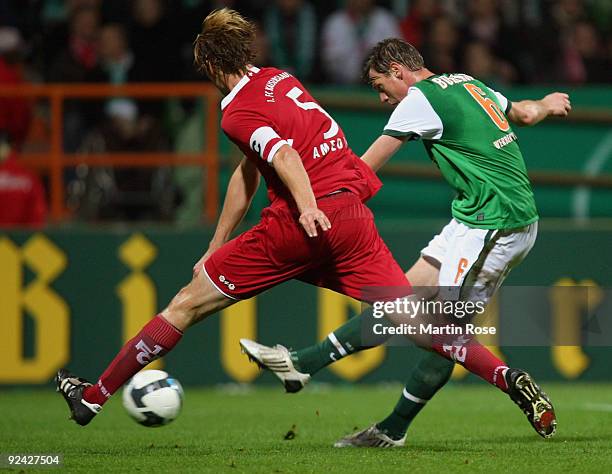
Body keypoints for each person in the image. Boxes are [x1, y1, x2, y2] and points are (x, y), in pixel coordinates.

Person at [54, 7, 410, 426]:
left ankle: (93, 398)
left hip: (297, 225)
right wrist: (215, 244)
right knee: (410, 311)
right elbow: (250, 171)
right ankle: (500, 375)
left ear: (208, 65)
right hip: (348, 217)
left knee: (185, 305)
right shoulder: (280, 78)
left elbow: (283, 154)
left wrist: (308, 206)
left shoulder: (236, 112)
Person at [241, 37, 571, 447]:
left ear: (398, 70)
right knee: (397, 300)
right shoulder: (468, 83)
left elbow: (364, 169)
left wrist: (316, 200)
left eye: (381, 86)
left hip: (498, 224)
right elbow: (523, 112)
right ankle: (302, 364)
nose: (382, 98)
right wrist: (547, 102)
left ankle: (409, 420)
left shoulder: (419, 99)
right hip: (471, 218)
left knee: (444, 334)